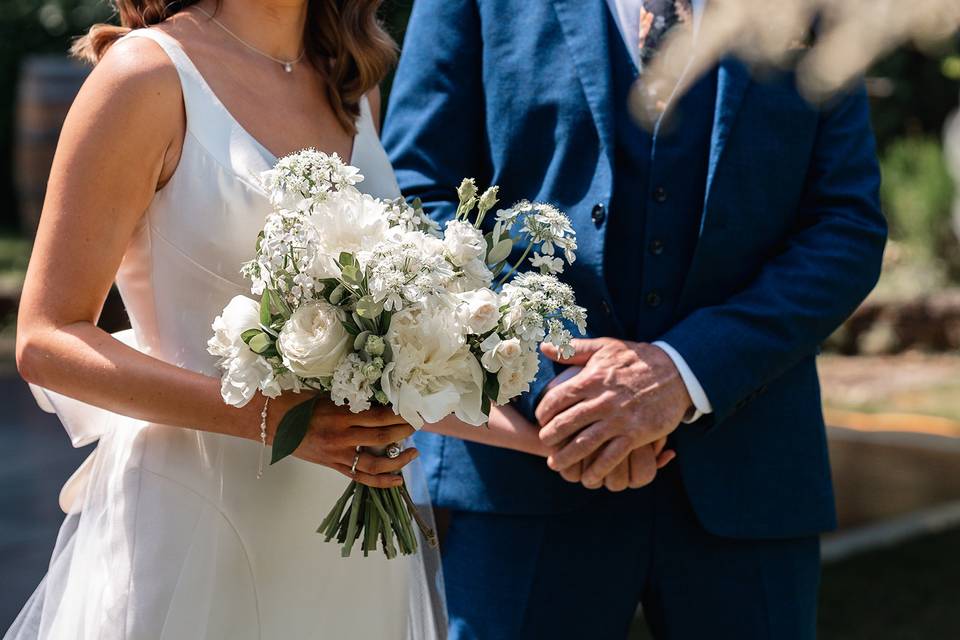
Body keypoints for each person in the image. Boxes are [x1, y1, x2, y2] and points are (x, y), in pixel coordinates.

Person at [7, 1, 544, 638]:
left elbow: (395, 353)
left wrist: (551, 435)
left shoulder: (353, 86)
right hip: (198, 525)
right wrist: (278, 421)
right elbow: (46, 339)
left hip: (351, 543)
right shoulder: (146, 76)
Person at [383, 0, 888, 637]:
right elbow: (416, 194)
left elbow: (845, 224)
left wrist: (685, 372)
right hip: (523, 474)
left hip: (747, 466)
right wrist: (558, 387)